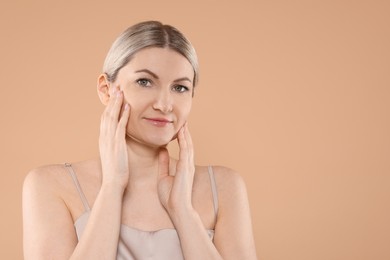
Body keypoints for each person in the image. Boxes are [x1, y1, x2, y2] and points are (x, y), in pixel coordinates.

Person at [22, 21, 257, 260]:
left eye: (180, 87)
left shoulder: (226, 187)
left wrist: (184, 212)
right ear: (106, 89)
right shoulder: (51, 186)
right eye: (145, 82)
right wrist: (112, 187)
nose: (164, 104)